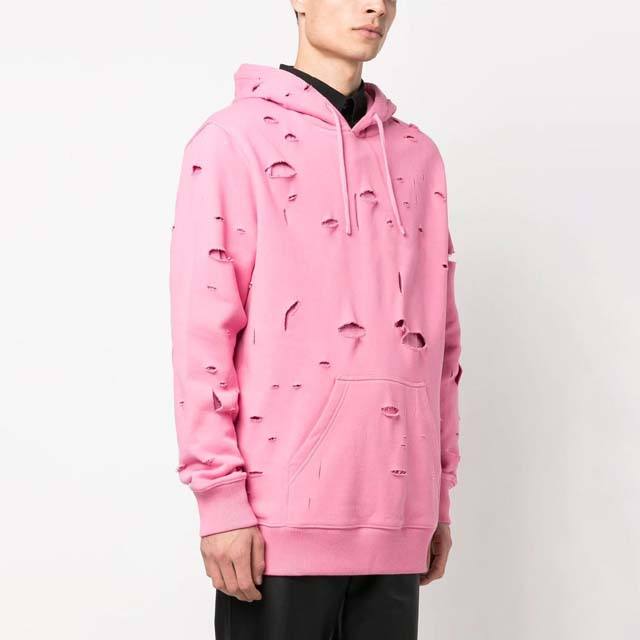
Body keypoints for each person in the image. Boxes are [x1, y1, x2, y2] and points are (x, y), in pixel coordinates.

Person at [168, 1, 463, 637]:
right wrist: (220, 500)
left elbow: (439, 340)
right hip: (276, 523)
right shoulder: (232, 142)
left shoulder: (418, 156)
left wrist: (434, 498)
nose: (376, 6)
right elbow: (203, 335)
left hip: (397, 516)